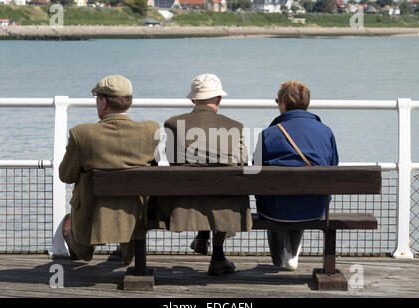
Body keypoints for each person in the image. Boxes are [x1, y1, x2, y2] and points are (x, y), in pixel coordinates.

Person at [152, 73, 252, 275]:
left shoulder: (172, 124)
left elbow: (173, 161)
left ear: (192, 99)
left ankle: (203, 236)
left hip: (183, 203)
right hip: (226, 203)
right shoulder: (235, 127)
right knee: (225, 187)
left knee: (202, 185)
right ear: (219, 99)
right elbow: (243, 162)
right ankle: (217, 254)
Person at [59, 74, 160, 265]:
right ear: (129, 102)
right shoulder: (150, 131)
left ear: (103, 102)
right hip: (134, 215)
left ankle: (81, 246)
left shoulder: (82, 134)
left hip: (93, 213)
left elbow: (66, 175)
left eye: (97, 99)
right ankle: (127, 247)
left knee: (84, 180)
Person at [254, 80, 339, 271]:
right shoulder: (326, 132)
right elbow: (334, 167)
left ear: (284, 103)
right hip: (315, 208)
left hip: (275, 210)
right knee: (304, 193)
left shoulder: (268, 134)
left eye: (277, 101)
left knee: (275, 199)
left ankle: (283, 256)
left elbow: (256, 175)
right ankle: (291, 254)